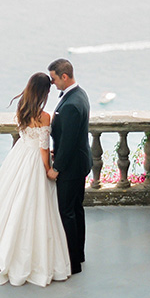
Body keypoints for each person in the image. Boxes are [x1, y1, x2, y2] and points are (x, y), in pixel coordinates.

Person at [0, 73, 71, 287]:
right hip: (34, 162)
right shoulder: (44, 116)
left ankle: (4, 250)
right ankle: (29, 258)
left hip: (19, 157)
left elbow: (28, 138)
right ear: (44, 92)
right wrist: (48, 169)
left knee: (11, 202)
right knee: (34, 207)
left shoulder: (23, 109)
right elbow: (43, 148)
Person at [46, 58, 92, 275]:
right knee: (76, 210)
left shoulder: (72, 104)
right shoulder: (79, 94)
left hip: (71, 168)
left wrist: (57, 167)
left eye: (54, 79)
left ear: (64, 76)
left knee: (67, 212)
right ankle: (78, 255)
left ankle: (72, 263)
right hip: (79, 163)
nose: (52, 83)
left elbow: (70, 141)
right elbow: (69, 136)